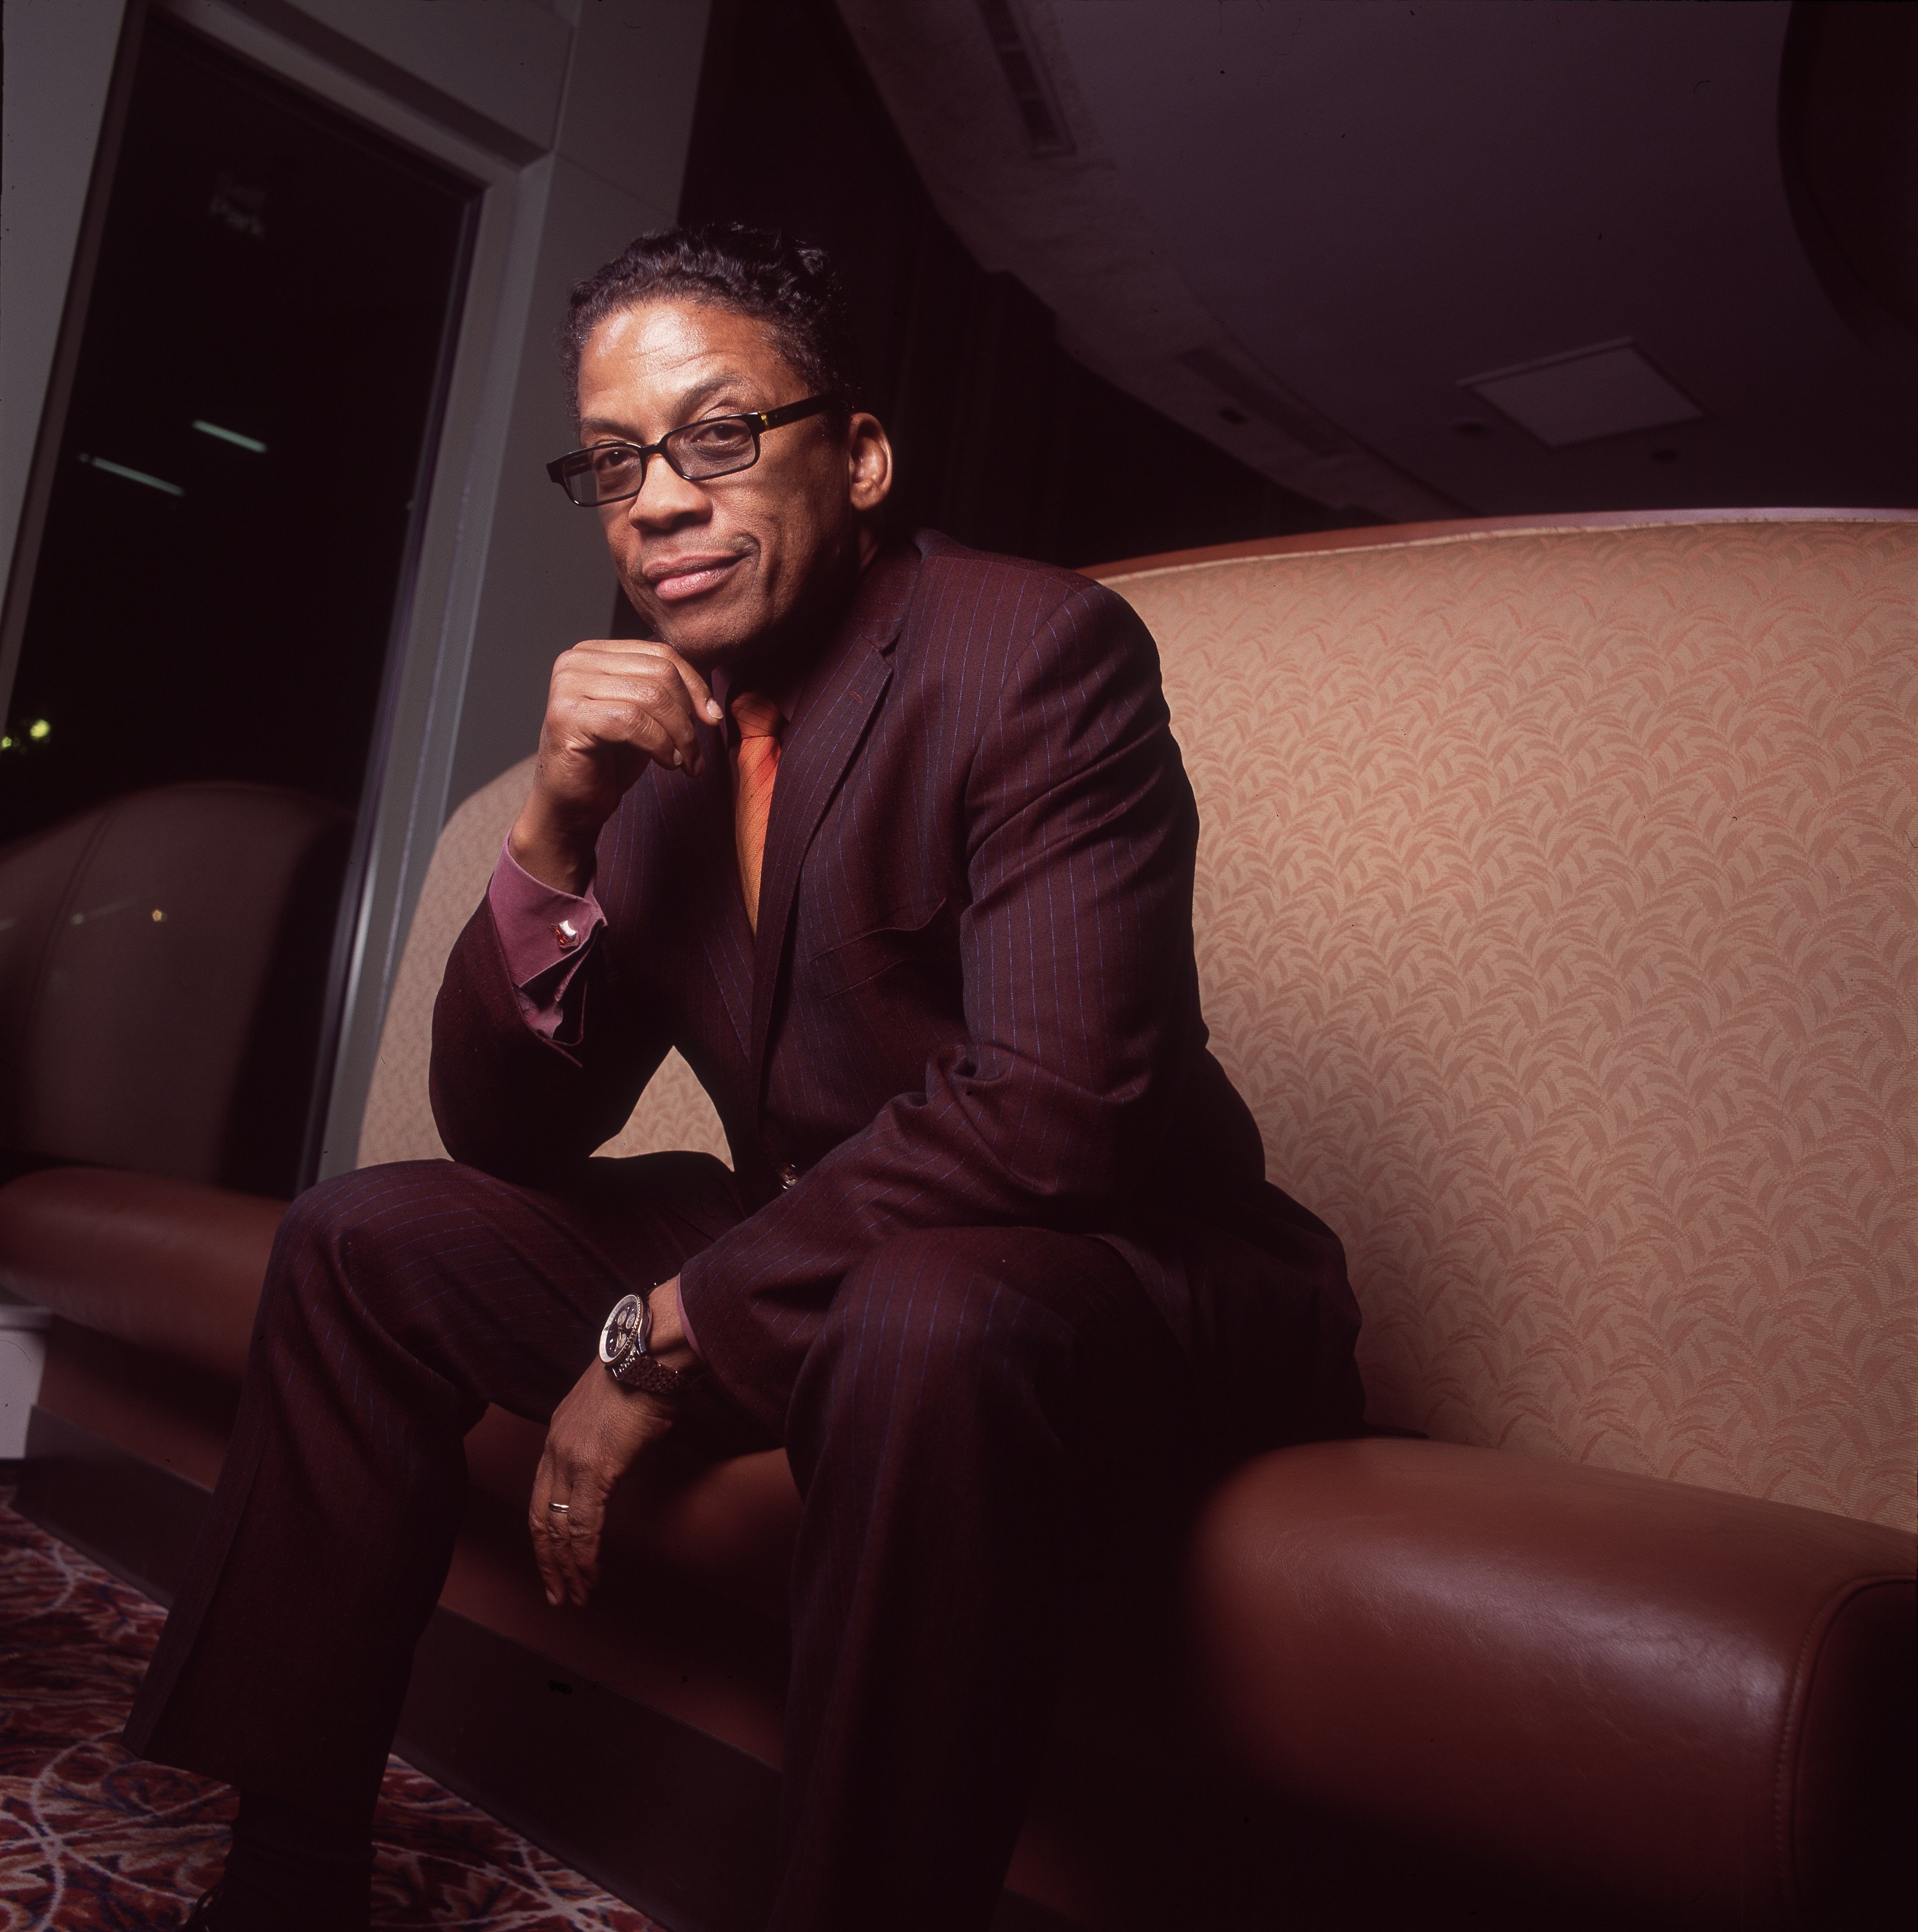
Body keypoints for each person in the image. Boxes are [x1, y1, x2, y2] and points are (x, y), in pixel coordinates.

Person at [127, 224, 1364, 1932]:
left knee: (928, 1318)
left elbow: (1061, 1110)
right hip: (836, 1258)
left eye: (719, 436)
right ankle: (287, 1869)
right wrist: (551, 827)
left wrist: (663, 1331)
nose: (660, 500)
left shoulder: (1035, 654)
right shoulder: (658, 742)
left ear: (854, 457)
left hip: (1122, 1272)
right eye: (619, 461)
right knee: (360, 1240)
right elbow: (513, 1131)